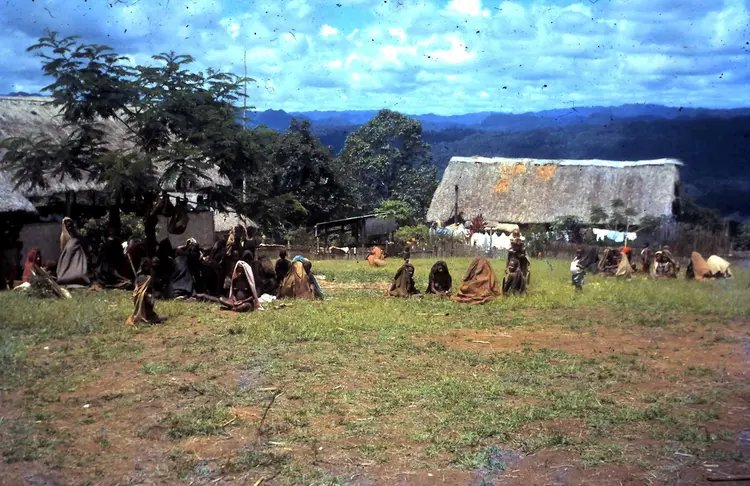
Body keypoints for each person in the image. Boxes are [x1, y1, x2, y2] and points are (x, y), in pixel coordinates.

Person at [126, 257, 167, 326]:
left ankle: (150, 317)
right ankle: (147, 319)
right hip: (145, 304)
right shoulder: (144, 278)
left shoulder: (143, 277)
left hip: (146, 305)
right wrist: (148, 296)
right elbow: (142, 291)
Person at [57, 217, 91, 286]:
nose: (69, 227)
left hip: (77, 255)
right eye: (67, 225)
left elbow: (82, 243)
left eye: (70, 224)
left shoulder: (76, 234)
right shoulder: (63, 236)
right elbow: (63, 248)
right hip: (68, 256)